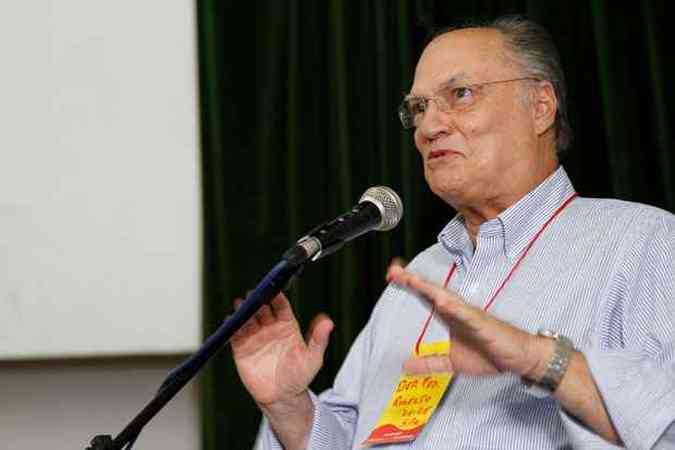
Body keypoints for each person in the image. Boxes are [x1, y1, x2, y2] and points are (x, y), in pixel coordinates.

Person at [232, 15, 675, 449]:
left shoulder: (643, 242)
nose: (428, 127)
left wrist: (540, 358)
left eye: (460, 94)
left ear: (540, 106)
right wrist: (290, 408)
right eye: (419, 108)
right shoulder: (417, 279)